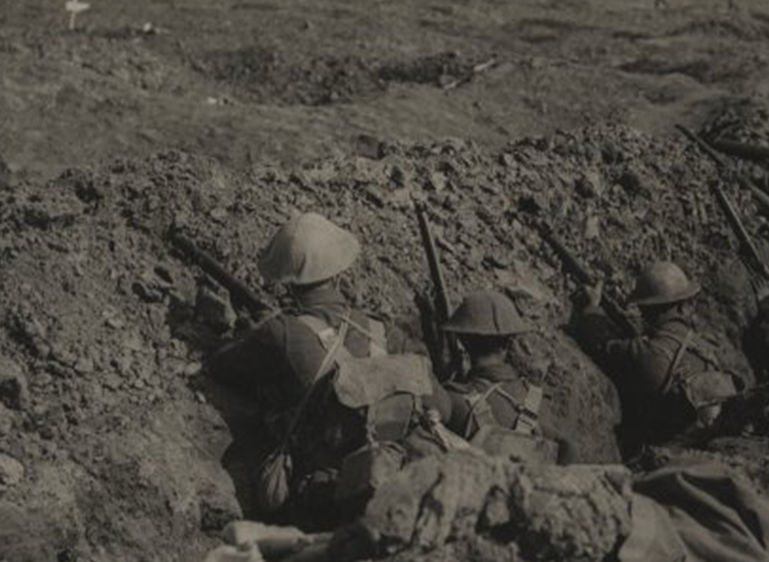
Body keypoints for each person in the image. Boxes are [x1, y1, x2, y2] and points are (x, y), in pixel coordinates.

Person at [208, 212, 443, 528]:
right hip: (395, 488)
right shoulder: (385, 332)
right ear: (339, 274)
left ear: (287, 283)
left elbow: (222, 366)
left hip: (322, 503)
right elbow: (442, 406)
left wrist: (256, 330)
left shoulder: (282, 331)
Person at [573, 261, 739, 458]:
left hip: (658, 462)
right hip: (708, 456)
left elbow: (598, 340)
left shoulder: (647, 353)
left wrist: (592, 307)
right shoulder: (707, 348)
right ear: (683, 306)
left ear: (647, 309)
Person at [431, 291, 565, 465]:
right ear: (509, 342)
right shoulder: (537, 400)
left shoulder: (455, 400)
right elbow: (566, 449)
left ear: (463, 341)